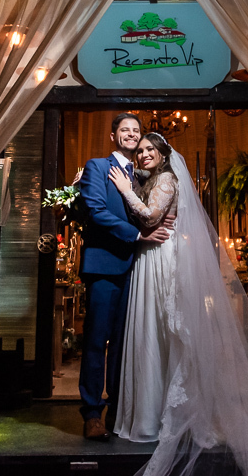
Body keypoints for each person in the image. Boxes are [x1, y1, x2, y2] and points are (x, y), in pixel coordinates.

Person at [108, 132, 248, 476]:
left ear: (164, 155)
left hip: (163, 257)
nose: (144, 154)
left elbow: (150, 217)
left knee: (167, 332)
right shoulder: (150, 177)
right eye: (142, 150)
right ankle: (153, 412)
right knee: (156, 334)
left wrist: (124, 190)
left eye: (151, 149)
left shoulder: (166, 178)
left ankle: (166, 417)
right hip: (149, 257)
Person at [77, 113, 173, 440]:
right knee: (95, 341)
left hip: (139, 269)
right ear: (113, 136)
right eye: (125, 130)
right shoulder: (97, 167)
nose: (132, 135)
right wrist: (137, 236)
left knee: (124, 342)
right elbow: (95, 209)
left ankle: (120, 410)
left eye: (136, 130)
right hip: (104, 265)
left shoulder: (143, 175)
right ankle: (91, 413)